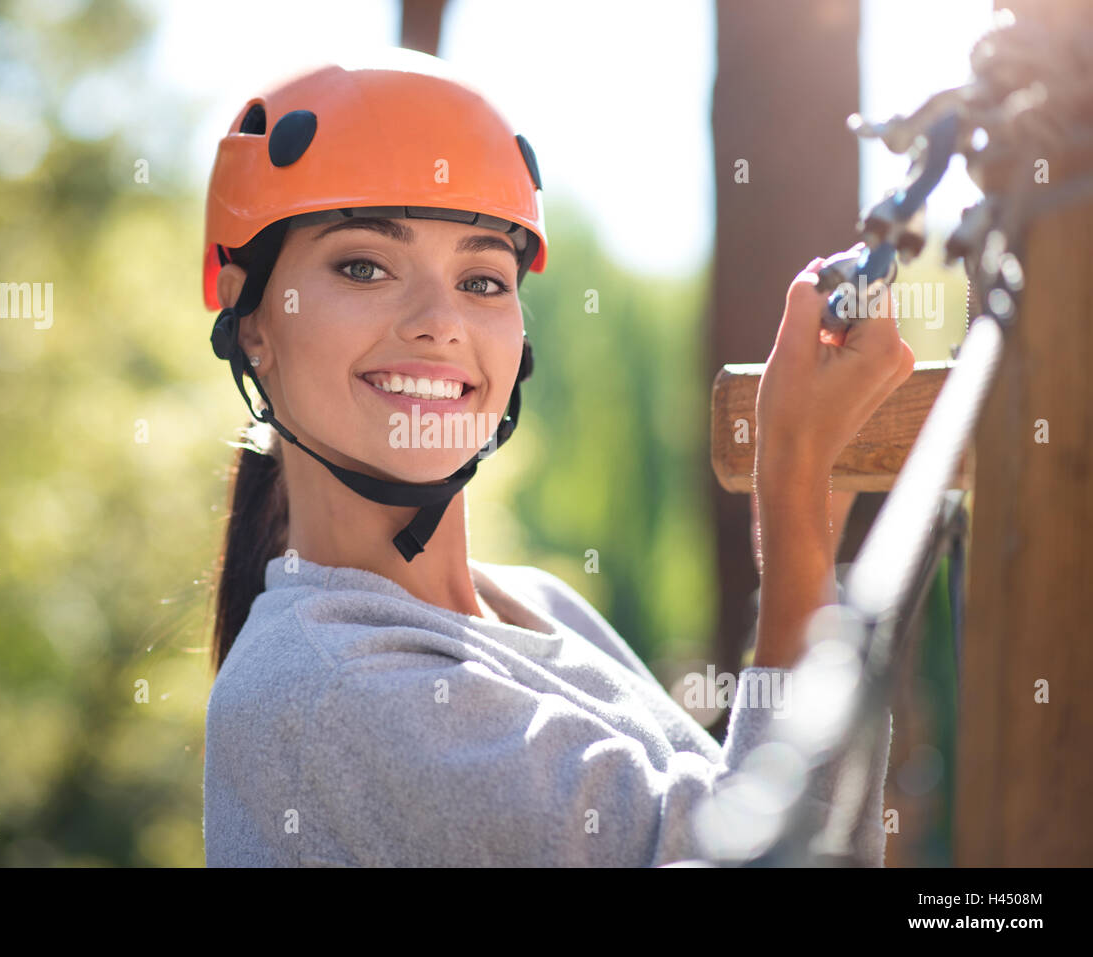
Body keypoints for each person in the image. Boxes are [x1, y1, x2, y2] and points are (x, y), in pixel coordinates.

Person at [201, 50, 914, 867]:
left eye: (482, 279)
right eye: (364, 265)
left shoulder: (540, 605)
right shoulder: (322, 689)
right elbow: (774, 849)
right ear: (249, 320)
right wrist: (793, 481)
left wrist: (813, 486)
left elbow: (722, 798)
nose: (441, 322)